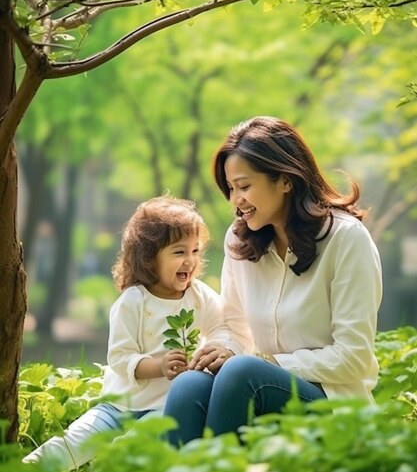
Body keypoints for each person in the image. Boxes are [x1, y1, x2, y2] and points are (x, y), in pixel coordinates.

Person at [163, 116, 383, 446]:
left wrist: (266, 363)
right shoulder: (240, 242)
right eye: (232, 189)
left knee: (242, 374)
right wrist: (223, 350)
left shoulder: (346, 239)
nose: (236, 200)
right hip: (256, 387)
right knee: (189, 385)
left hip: (334, 404)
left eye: (245, 186)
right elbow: (236, 330)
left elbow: (353, 357)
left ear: (284, 179)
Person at [22, 195, 232, 471]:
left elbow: (221, 326)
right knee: (76, 440)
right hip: (119, 404)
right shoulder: (134, 301)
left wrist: (215, 348)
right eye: (179, 252)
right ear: (149, 257)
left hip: (163, 408)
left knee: (132, 448)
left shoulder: (199, 295)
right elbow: (120, 357)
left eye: (195, 251)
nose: (190, 261)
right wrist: (158, 366)